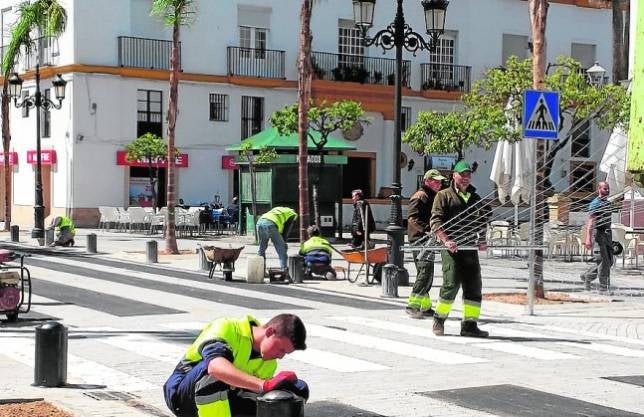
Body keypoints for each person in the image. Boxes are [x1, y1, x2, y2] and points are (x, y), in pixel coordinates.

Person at [163, 314, 308, 417]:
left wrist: (280, 389)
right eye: (281, 349)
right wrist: (265, 385)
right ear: (270, 332)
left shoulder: (269, 364)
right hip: (183, 396)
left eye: (285, 353)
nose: (280, 356)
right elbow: (215, 367)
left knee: (296, 390)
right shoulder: (227, 327)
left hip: (224, 398)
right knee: (216, 375)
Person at [430, 160, 490, 338]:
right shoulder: (443, 195)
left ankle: (470, 325)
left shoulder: (475, 197)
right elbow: (435, 221)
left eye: (468, 175)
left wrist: (482, 240)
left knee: (474, 286)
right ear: (453, 176)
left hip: (469, 247)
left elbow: (481, 221)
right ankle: (439, 320)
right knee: (451, 283)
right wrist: (446, 240)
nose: (465, 178)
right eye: (462, 174)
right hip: (451, 248)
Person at [405, 169, 446, 319]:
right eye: (436, 181)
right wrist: (428, 230)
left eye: (440, 181)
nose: (439, 184)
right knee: (425, 271)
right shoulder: (420, 196)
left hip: (427, 239)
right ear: (427, 181)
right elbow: (412, 218)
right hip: (420, 239)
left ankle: (425, 306)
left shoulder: (433, 196)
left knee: (426, 272)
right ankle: (413, 305)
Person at [581, 181, 613, 292]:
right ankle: (604, 288)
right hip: (598, 234)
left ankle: (587, 276)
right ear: (599, 189)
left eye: (608, 188)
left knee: (609, 261)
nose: (607, 191)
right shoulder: (595, 203)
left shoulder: (608, 204)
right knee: (603, 262)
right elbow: (590, 221)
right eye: (605, 189)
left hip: (608, 235)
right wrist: (588, 239)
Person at [257, 206, 298, 271]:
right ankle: (284, 270)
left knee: (262, 248)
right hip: (271, 224)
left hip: (260, 222)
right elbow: (286, 229)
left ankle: (260, 271)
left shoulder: (278, 209)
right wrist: (284, 242)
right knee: (281, 249)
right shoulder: (292, 214)